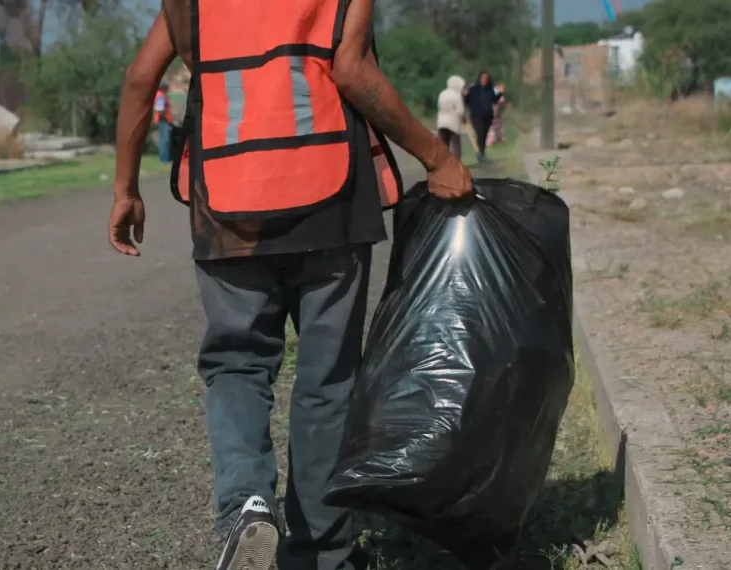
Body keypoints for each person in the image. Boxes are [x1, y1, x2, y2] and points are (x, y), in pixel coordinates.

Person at [108, 1, 473, 569]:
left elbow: (140, 76)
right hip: (329, 198)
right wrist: (434, 155)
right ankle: (321, 556)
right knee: (328, 382)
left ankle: (247, 502)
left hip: (228, 205)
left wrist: (125, 188)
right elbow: (352, 71)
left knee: (237, 363)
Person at [464, 71, 502, 164]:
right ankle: (480, 155)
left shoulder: (490, 89)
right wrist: (465, 95)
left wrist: (500, 93)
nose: (484, 80)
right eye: (483, 78)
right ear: (479, 79)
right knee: (480, 133)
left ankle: (482, 154)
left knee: (484, 135)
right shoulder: (473, 89)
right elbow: (466, 101)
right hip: (476, 115)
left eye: (486, 78)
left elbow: (494, 100)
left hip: (488, 116)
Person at [436, 74, 467, 159]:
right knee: (455, 144)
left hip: (441, 122)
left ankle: (443, 162)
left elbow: (439, 106)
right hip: (453, 123)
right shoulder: (457, 95)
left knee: (443, 144)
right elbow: (460, 111)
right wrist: (464, 119)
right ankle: (457, 162)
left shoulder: (442, 94)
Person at [154, 81, 174, 163]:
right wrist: (166, 118)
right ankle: (164, 159)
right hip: (163, 120)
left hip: (163, 120)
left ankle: (165, 158)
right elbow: (160, 109)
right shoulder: (161, 96)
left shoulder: (161, 95)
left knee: (164, 139)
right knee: (165, 140)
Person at [486, 82, 509, 147]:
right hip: (493, 114)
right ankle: (490, 141)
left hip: (497, 114)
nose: (504, 90)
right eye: (503, 88)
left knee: (499, 127)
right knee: (492, 128)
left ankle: (500, 139)